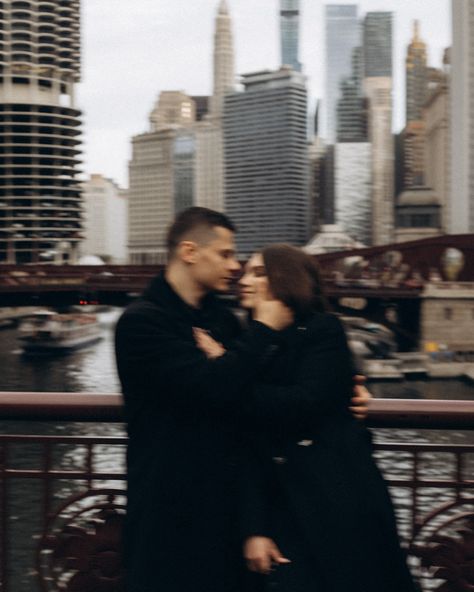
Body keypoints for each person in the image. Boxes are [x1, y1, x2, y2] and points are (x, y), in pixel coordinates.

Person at [115, 207, 370, 592]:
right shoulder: (143, 323)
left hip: (230, 510)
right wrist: (265, 329)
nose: (233, 267)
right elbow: (214, 388)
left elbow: (276, 382)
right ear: (189, 251)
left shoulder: (224, 321)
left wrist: (346, 391)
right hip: (169, 509)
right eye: (224, 254)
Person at [196, 244, 417, 592]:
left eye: (259, 272)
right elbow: (247, 441)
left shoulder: (323, 330)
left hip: (339, 503)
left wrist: (229, 376)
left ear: (286, 280)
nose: (244, 279)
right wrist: (254, 527)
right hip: (282, 507)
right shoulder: (247, 341)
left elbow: (304, 403)